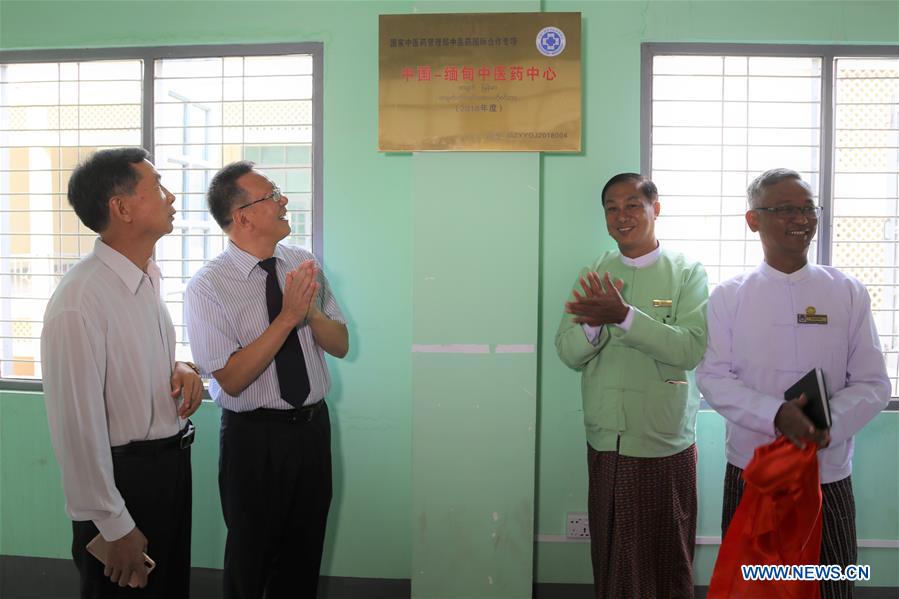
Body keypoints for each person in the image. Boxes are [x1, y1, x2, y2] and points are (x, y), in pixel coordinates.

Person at [696, 168, 891, 599]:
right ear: (753, 220)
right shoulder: (730, 296)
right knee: (754, 586)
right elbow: (712, 377)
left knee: (829, 584)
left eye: (807, 209)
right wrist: (775, 415)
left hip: (827, 473)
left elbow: (874, 383)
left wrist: (827, 426)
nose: (800, 218)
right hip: (755, 470)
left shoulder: (847, 291)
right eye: (785, 209)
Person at [41, 147, 203, 598]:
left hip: (169, 470)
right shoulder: (80, 300)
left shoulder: (146, 277)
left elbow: (128, 363)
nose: (171, 197)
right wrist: (113, 524)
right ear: (123, 208)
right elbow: (76, 426)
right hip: (123, 485)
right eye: (157, 188)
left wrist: (180, 365)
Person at [185, 161, 348, 599]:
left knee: (304, 553)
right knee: (252, 559)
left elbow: (340, 343)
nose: (284, 201)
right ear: (243, 217)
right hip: (253, 440)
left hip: (312, 430)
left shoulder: (303, 264)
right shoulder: (207, 288)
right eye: (272, 195)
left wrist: (310, 312)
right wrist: (288, 317)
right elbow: (232, 379)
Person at [555, 173, 708, 598]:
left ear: (654, 209)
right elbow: (567, 352)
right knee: (611, 557)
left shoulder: (687, 274)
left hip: (664, 442)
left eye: (632, 205)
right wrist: (592, 325)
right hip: (607, 440)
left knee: (667, 557)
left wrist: (624, 316)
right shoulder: (595, 273)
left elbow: (689, 349)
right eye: (611, 207)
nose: (622, 216)